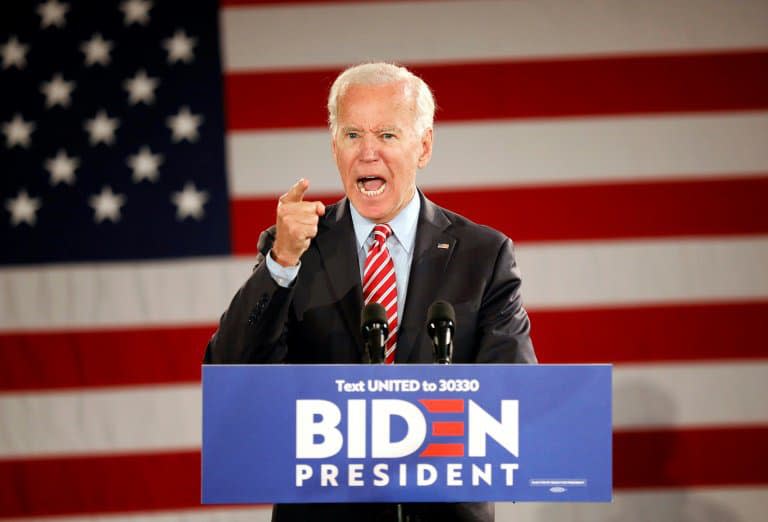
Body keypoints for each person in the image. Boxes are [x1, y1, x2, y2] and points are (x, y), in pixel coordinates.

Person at [204, 62, 536, 522]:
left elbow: (514, 397)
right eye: (353, 134)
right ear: (334, 145)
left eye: (387, 135)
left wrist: (404, 430)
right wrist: (280, 264)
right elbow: (230, 373)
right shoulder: (295, 248)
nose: (368, 153)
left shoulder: (482, 256)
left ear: (424, 146)